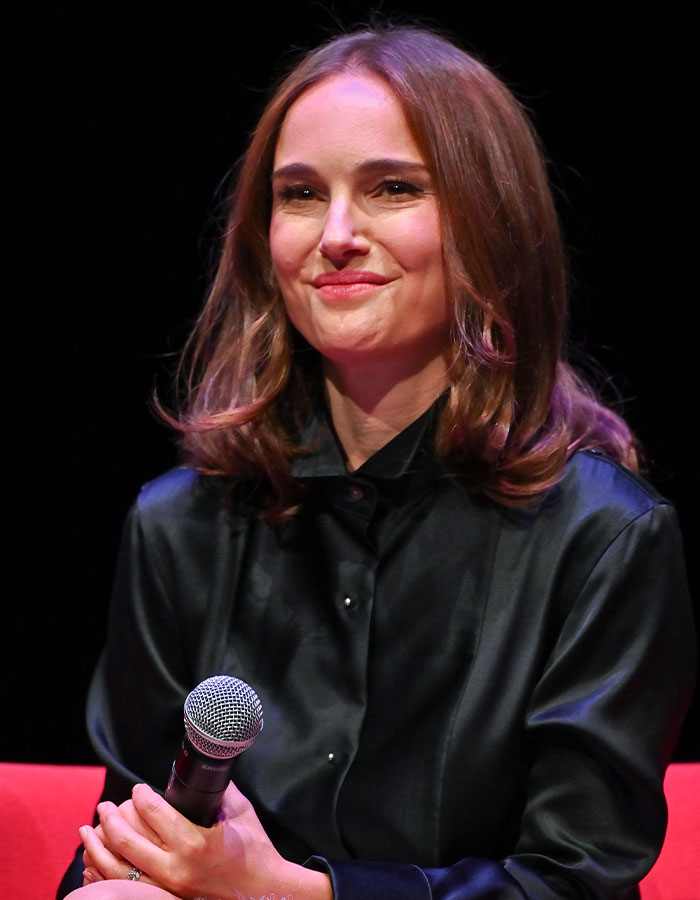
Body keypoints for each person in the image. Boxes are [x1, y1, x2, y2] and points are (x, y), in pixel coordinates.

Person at [59, 24, 695, 900]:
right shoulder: (179, 527)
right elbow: (126, 839)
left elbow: (573, 882)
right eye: (300, 195)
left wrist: (292, 894)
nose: (338, 234)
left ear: (490, 222)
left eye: (393, 188)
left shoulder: (605, 538)